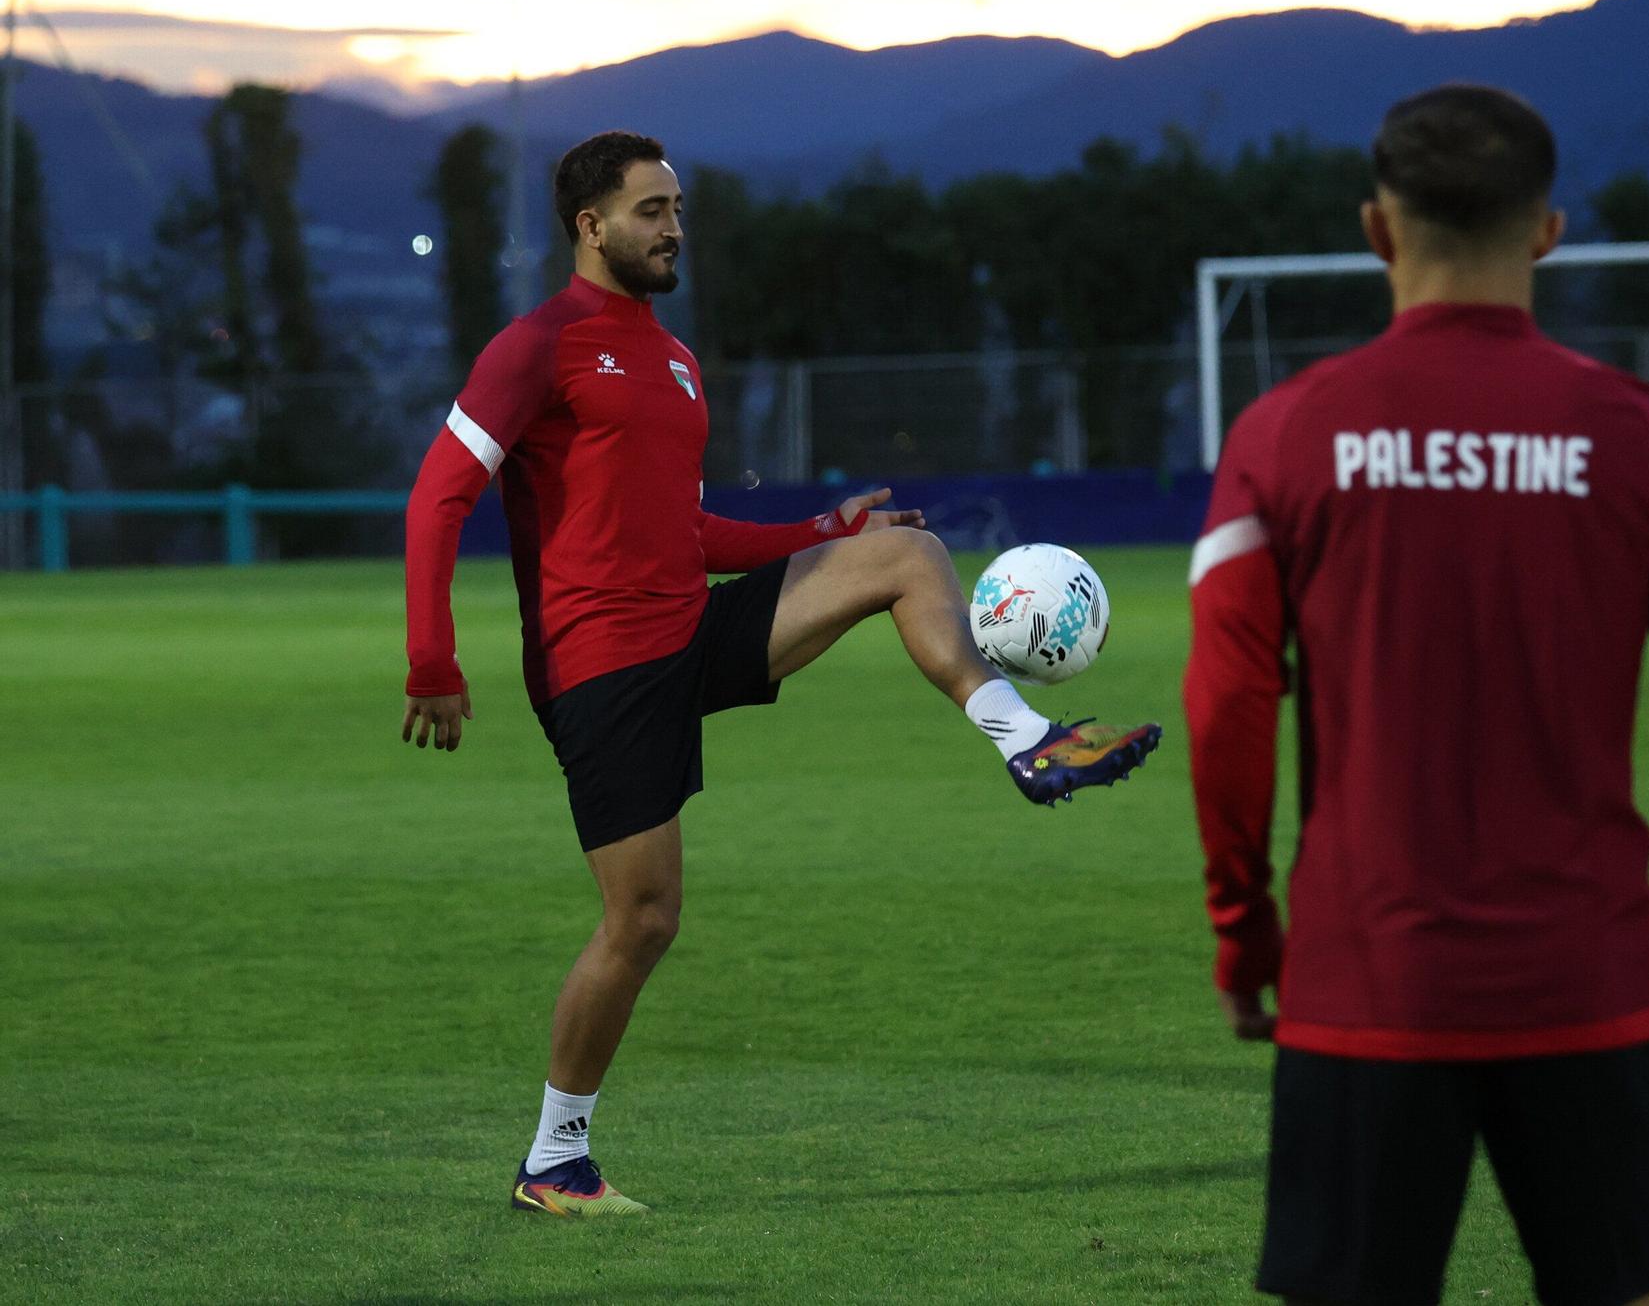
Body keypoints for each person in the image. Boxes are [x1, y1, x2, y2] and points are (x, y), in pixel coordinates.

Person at [401, 130, 1160, 1217]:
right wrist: (434, 658)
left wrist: (820, 528)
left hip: (687, 629)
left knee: (902, 549)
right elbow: (437, 496)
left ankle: (1023, 736)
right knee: (644, 919)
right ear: (591, 225)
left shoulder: (671, 358)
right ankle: (553, 1159)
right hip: (600, 666)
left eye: (677, 209)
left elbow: (686, 531)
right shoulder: (537, 346)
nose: (672, 227)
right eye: (651, 210)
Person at [1184, 85, 1649, 1306]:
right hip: (1590, 982)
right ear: (1547, 230)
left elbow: (1228, 700)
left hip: (1363, 984)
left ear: (1376, 231)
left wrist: (1244, 927)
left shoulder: (1282, 435)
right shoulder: (1643, 436)